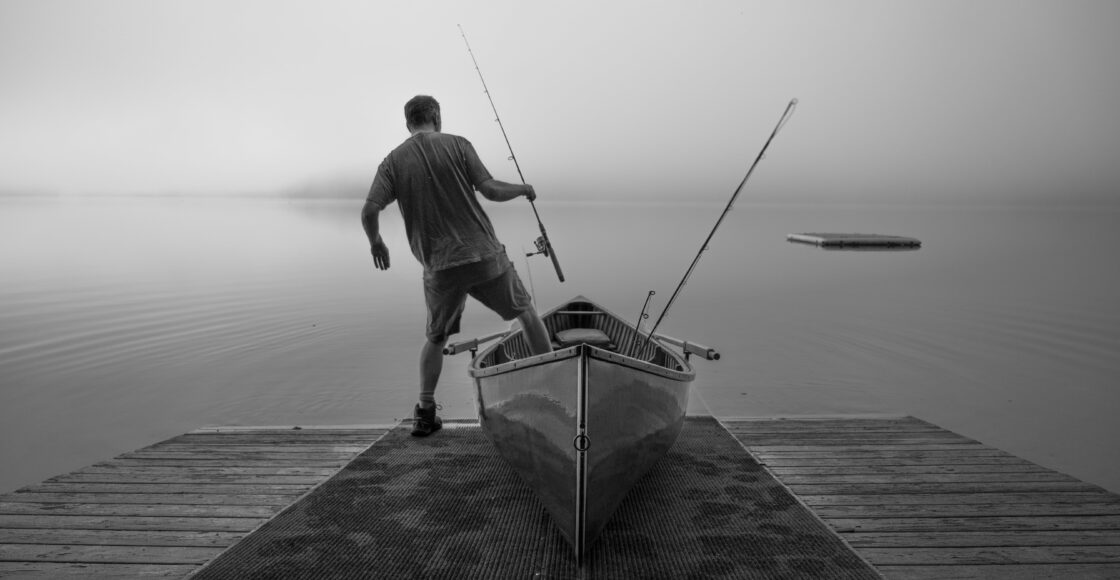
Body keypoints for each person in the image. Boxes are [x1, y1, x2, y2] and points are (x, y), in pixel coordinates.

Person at [361, 95, 553, 437]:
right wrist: (523, 188)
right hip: (484, 256)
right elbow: (490, 190)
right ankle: (554, 388)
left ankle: (425, 411)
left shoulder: (392, 162)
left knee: (435, 338)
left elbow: (369, 210)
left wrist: (377, 242)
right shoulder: (458, 144)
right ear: (436, 116)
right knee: (526, 313)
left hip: (440, 267)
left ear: (409, 123)